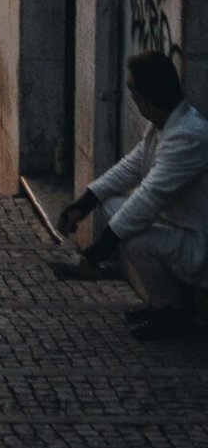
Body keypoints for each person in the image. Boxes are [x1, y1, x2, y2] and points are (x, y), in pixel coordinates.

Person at [57, 51, 208, 338]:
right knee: (111, 206)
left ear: (147, 95)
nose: (133, 98)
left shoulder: (189, 135)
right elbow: (130, 167)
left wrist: (96, 253)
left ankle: (172, 312)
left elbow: (149, 197)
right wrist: (85, 204)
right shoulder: (163, 125)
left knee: (134, 235)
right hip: (178, 228)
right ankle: (163, 303)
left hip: (198, 243)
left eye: (134, 91)